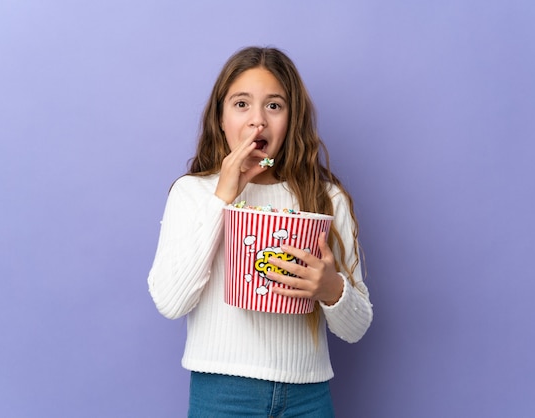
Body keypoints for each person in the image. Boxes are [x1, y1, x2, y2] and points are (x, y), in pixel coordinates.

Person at [147, 46, 373, 417]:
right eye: (241, 104)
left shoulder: (325, 198)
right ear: (220, 118)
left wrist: (330, 288)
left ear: (291, 119)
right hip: (222, 394)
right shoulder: (192, 193)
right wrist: (222, 197)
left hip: (309, 396)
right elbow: (171, 302)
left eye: (274, 105)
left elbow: (357, 327)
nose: (258, 121)